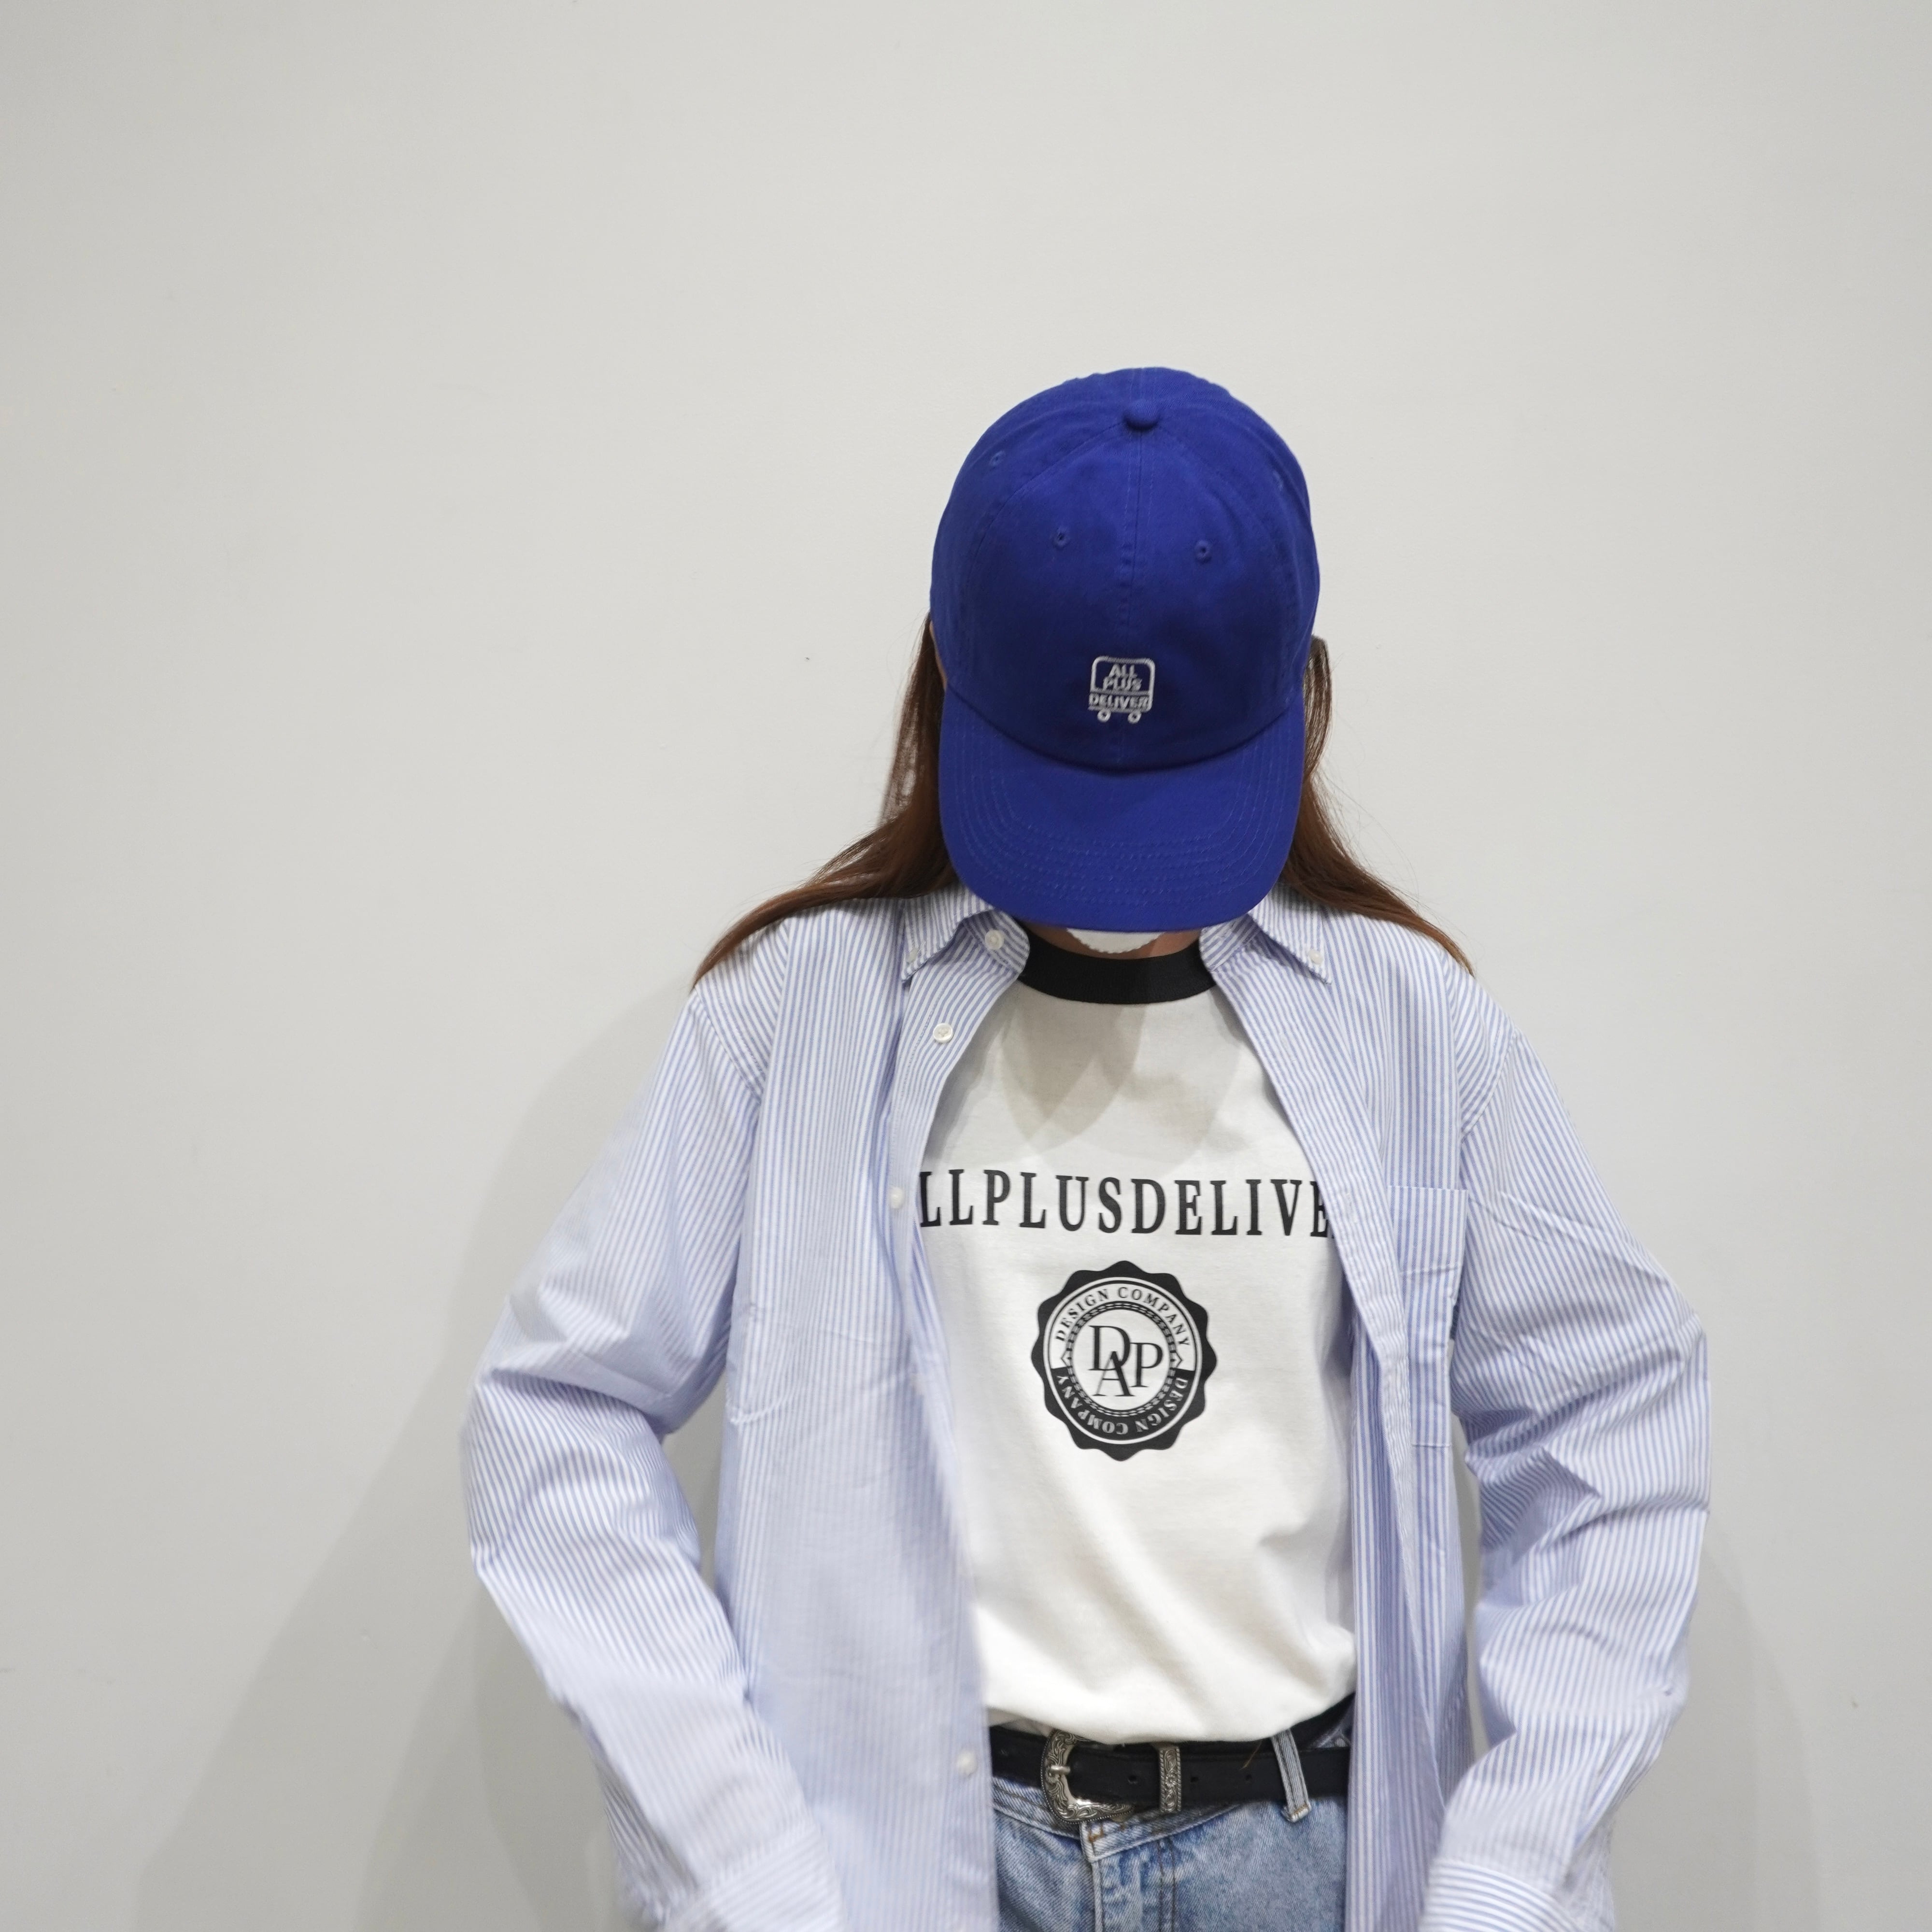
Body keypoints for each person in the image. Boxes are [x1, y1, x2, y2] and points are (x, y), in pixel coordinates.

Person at [462, 368, 1709, 1932]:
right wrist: (745, 1872)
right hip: (909, 1862)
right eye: (1061, 808)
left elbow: (1611, 1416)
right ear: (945, 683)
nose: (1119, 892)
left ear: (1305, 701)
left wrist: (1512, 1868)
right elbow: (559, 1411)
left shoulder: (1409, 1028)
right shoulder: (796, 1016)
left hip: (1297, 1859)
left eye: (1179, 815)